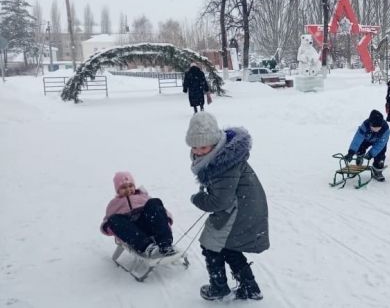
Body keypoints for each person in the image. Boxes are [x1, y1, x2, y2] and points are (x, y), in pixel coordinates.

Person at [185, 111, 269, 301]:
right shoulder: (219, 156)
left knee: (211, 245)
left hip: (239, 210)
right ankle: (250, 287)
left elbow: (220, 202)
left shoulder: (223, 165)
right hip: (243, 206)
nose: (197, 151)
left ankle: (219, 288)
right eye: (194, 147)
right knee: (228, 246)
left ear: (215, 143)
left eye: (203, 147)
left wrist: (198, 199)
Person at [100, 171, 176, 257]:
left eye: (130, 186)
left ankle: (165, 244)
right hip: (133, 233)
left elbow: (160, 210)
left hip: (148, 225)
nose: (128, 189)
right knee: (113, 218)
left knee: (154, 202)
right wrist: (110, 226)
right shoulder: (114, 204)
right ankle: (148, 247)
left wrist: (166, 220)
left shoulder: (143, 196)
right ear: (117, 190)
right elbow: (106, 222)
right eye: (123, 187)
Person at [344, 109, 390, 182]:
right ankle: (360, 156)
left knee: (380, 154)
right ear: (370, 124)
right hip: (367, 139)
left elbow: (381, 144)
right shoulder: (365, 125)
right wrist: (351, 152)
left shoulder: (385, 129)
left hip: (379, 142)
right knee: (360, 145)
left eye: (378, 128)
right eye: (374, 128)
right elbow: (357, 139)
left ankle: (377, 171)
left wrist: (371, 154)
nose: (377, 130)